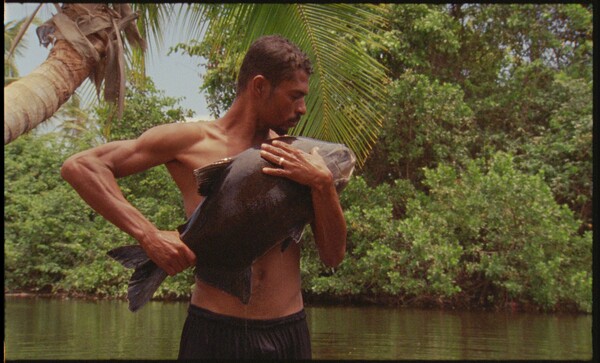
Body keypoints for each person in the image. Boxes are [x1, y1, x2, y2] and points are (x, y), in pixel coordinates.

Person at [61, 35, 347, 359]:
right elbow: (81, 166)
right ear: (259, 86)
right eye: (295, 96)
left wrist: (323, 186)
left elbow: (333, 257)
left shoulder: (298, 156)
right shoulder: (190, 141)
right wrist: (147, 233)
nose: (302, 109)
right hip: (213, 332)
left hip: (287, 331)